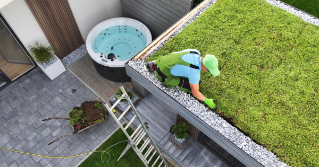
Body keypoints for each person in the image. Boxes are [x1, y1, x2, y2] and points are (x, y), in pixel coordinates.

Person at [145, 49, 220, 110]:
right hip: (162, 75)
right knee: (189, 87)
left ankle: (152, 64)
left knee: (172, 60)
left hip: (161, 60)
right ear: (204, 65)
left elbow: (174, 55)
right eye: (208, 70)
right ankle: (167, 83)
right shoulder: (194, 73)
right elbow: (195, 92)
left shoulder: (195, 52)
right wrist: (206, 100)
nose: (208, 71)